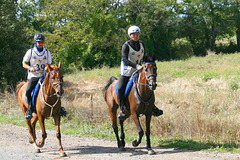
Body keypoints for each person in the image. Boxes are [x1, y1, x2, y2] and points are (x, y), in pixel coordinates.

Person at [117, 26, 163, 120]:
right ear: (130, 35)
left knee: (149, 85)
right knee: (121, 88)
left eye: (137, 34)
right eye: (134, 34)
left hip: (139, 70)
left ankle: (153, 106)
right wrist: (136, 66)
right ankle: (122, 109)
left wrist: (148, 62)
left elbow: (143, 56)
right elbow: (125, 59)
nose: (136, 36)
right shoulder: (126, 46)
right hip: (127, 71)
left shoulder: (141, 44)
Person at [22, 33, 66, 119]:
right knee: (28, 90)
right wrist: (30, 67)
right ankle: (30, 109)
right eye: (39, 42)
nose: (41, 43)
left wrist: (47, 68)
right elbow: (24, 63)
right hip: (34, 75)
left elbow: (49, 64)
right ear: (36, 42)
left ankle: (59, 108)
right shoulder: (30, 52)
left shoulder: (47, 52)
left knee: (55, 88)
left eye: (42, 42)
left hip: (44, 75)